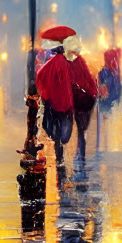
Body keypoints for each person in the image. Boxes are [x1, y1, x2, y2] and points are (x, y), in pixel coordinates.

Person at [35, 40, 75, 173]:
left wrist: (44, 93)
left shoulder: (50, 63)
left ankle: (57, 150)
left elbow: (40, 76)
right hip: (64, 102)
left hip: (52, 101)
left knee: (53, 128)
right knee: (62, 126)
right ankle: (60, 153)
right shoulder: (67, 63)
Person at [63, 34, 98, 161]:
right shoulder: (80, 60)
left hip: (75, 99)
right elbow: (88, 78)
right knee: (81, 130)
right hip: (85, 98)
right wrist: (93, 92)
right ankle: (80, 154)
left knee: (74, 128)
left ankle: (72, 153)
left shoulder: (64, 62)